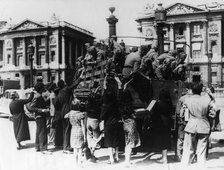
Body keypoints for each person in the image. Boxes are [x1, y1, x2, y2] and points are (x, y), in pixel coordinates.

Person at [181, 82, 216, 168]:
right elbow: (213, 114)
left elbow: (182, 114)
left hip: (191, 125)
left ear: (192, 90)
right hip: (204, 125)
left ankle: (185, 167)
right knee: (201, 151)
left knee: (187, 149)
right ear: (201, 90)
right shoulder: (207, 100)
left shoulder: (187, 100)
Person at [54, 70, 84, 154]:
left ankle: (66, 145)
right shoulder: (65, 90)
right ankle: (66, 147)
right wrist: (81, 77)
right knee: (67, 129)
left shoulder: (59, 93)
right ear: (64, 84)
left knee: (65, 129)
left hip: (63, 112)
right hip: (68, 111)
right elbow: (74, 85)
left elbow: (56, 104)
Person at [101, 75, 121, 164]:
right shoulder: (116, 103)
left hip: (108, 124)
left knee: (109, 142)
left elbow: (102, 116)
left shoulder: (105, 106)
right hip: (116, 122)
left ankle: (111, 158)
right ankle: (117, 156)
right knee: (116, 140)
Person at [151, 88, 173, 164]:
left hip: (160, 123)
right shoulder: (170, 103)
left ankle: (164, 158)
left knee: (162, 140)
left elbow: (154, 114)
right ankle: (164, 156)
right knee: (166, 139)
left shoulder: (158, 103)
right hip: (168, 122)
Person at [119, 89, 140, 167]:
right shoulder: (130, 106)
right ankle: (127, 162)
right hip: (131, 125)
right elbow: (133, 116)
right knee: (130, 144)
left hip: (125, 125)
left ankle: (127, 160)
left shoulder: (121, 106)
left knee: (127, 143)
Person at [64, 90, 86, 166]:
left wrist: (70, 112)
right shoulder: (81, 114)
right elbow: (83, 125)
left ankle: (75, 164)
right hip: (79, 130)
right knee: (80, 149)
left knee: (75, 149)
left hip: (73, 131)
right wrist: (85, 136)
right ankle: (80, 164)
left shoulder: (70, 113)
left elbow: (65, 116)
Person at [30, 82, 51, 154]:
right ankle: (43, 148)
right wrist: (43, 110)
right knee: (43, 132)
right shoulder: (38, 96)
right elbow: (32, 107)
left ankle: (37, 146)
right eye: (43, 88)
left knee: (38, 131)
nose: (44, 89)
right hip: (40, 116)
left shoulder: (38, 95)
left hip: (38, 116)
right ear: (40, 88)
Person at [86, 91, 102, 162]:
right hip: (95, 121)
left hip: (88, 120)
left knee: (89, 137)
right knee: (96, 138)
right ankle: (92, 154)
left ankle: (89, 155)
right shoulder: (97, 105)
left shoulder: (87, 104)